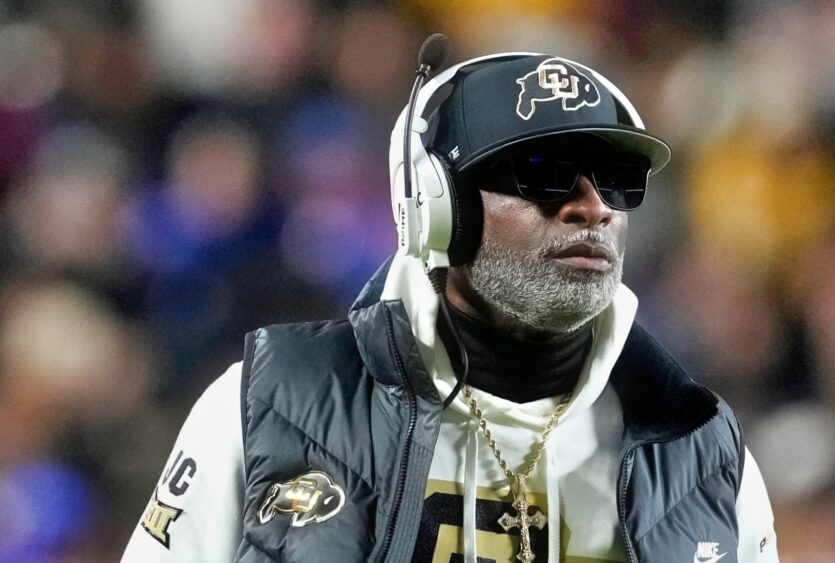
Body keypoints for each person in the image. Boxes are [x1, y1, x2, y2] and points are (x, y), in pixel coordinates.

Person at [123, 46, 779, 563]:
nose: (595, 207)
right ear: (437, 208)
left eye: (616, 179)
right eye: (546, 175)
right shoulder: (271, 404)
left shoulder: (699, 445)